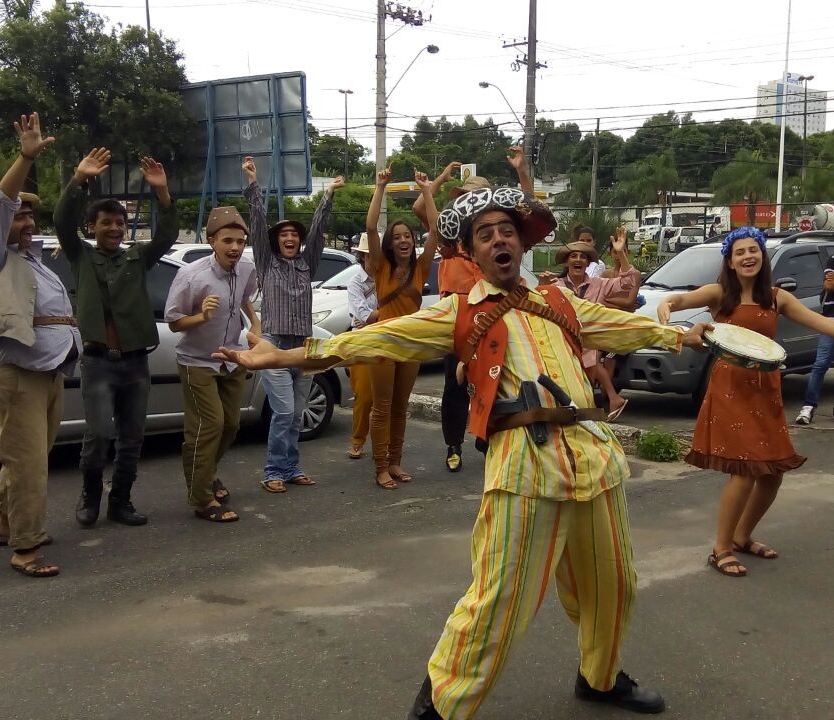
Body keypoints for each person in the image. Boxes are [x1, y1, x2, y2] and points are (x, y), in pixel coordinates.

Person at [215, 187, 712, 719]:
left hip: (593, 458)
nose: (498, 240)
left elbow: (623, 326)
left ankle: (601, 677)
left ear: (521, 245)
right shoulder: (456, 313)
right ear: (471, 254)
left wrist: (681, 335)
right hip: (524, 464)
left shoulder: (559, 301)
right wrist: (290, 354)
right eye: (485, 235)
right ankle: (439, 706)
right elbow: (380, 338)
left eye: (506, 232)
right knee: (499, 597)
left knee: (614, 585)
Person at [659, 226, 834, 578]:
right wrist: (668, 317)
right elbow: (673, 302)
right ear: (731, 261)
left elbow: (823, 322)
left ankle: (741, 537)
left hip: (766, 389)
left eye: (753, 250)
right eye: (740, 252)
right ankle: (720, 547)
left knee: (772, 474)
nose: (748, 256)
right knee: (743, 472)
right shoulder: (719, 293)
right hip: (730, 387)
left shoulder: (777, 297)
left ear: (762, 256)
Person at [0, 112, 80, 579]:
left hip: (50, 369)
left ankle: (2, 520)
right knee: (30, 465)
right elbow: (0, 202)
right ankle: (25, 548)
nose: (27, 219)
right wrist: (26, 156)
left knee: (24, 459)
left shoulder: (33, 261)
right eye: (20, 214)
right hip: (19, 374)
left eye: (30, 213)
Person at [54, 148, 179, 527]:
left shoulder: (137, 257)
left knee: (132, 438)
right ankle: (90, 496)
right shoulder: (81, 256)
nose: (113, 229)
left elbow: (167, 235)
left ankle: (121, 500)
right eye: (106, 222)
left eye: (119, 224)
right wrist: (78, 180)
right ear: (92, 226)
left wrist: (162, 193)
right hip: (97, 362)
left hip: (135, 361)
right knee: (97, 436)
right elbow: (61, 220)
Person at [411, 147, 533, 473]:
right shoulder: (453, 239)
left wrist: (522, 172)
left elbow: (528, 209)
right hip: (461, 318)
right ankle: (453, 444)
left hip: (495, 316)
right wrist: (435, 182)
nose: (468, 201)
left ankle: (487, 438)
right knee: (455, 387)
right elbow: (421, 207)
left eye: (474, 196)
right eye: (464, 196)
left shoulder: (495, 237)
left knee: (495, 381)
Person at [243, 156, 344, 493]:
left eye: (293, 235)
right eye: (283, 234)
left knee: (296, 414)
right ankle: (273, 471)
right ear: (275, 241)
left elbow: (316, 232)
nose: (289, 238)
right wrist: (253, 184)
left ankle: (291, 468)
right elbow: (257, 224)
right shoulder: (266, 261)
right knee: (283, 412)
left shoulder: (306, 263)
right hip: (273, 344)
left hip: (304, 347)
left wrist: (327, 195)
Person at [164, 206, 258, 523]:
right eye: (227, 240)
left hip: (231, 358)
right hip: (198, 361)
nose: (235, 247)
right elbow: (175, 322)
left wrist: (255, 325)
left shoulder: (246, 269)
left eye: (240, 241)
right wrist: (202, 316)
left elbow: (244, 298)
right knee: (208, 426)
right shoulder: (191, 275)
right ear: (211, 240)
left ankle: (207, 472)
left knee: (231, 424)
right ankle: (201, 498)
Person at [365, 167, 439, 489]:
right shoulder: (381, 267)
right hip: (383, 342)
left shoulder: (422, 267)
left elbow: (436, 229)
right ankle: (380, 466)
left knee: (400, 406)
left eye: (407, 236)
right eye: (397, 238)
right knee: (381, 406)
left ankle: (395, 462)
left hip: (411, 344)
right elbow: (370, 226)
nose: (403, 241)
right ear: (390, 245)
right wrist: (380, 187)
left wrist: (426, 191)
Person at [548, 227, 640, 421]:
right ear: (567, 261)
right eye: (573, 256)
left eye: (583, 257)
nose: (578, 260)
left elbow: (629, 283)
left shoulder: (599, 284)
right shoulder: (555, 286)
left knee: (584, 399)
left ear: (588, 263)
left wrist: (621, 252)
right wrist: (541, 285)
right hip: (562, 351)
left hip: (588, 353)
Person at [346, 235, 378, 459]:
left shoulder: (390, 278)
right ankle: (358, 440)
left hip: (386, 340)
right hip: (362, 343)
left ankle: (384, 445)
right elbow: (364, 317)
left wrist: (374, 317)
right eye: (371, 254)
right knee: (364, 396)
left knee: (388, 399)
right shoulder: (356, 283)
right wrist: (385, 314)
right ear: (364, 256)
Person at [794, 254, 834, 424]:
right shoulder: (832, 258)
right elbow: (829, 285)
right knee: (820, 364)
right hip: (829, 319)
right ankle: (808, 407)